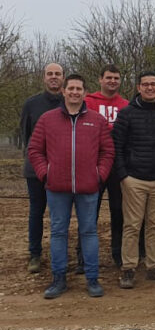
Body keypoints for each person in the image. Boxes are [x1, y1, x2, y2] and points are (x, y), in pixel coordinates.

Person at [28, 74, 114, 299]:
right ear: (64, 91)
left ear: (85, 93)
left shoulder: (97, 120)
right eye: (71, 88)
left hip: (88, 187)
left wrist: (99, 174)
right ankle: (59, 279)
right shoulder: (47, 119)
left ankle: (92, 278)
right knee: (58, 232)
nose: (75, 92)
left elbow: (107, 152)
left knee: (88, 232)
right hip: (57, 188)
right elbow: (35, 150)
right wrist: (45, 173)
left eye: (79, 89)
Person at [113, 70, 155, 289]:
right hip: (134, 179)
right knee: (132, 225)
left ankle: (154, 266)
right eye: (146, 84)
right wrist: (123, 175)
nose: (150, 87)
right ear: (138, 87)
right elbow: (117, 147)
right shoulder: (126, 114)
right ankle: (128, 268)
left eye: (154, 84)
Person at [84, 64, 129, 268]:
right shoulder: (88, 102)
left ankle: (118, 253)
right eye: (109, 77)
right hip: (92, 164)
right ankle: (83, 255)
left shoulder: (126, 105)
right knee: (89, 210)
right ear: (100, 79)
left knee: (118, 210)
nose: (112, 81)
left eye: (116, 78)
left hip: (117, 164)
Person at [20, 62, 63, 274]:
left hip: (64, 170)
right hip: (36, 169)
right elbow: (27, 137)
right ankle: (35, 254)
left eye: (57, 74)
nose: (54, 77)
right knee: (37, 212)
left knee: (62, 214)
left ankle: (62, 253)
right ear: (44, 77)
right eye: (50, 74)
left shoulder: (71, 101)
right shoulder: (31, 103)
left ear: (63, 78)